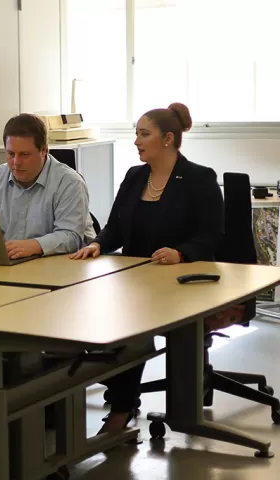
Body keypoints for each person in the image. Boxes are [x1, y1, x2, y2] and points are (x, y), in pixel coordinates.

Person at [70, 103, 224, 433]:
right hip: (135, 279)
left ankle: (121, 409)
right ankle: (117, 399)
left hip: (181, 284)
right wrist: (98, 244)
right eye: (135, 134)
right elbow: (114, 228)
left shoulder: (199, 178)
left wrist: (181, 253)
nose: (136, 141)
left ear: (168, 139)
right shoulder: (135, 176)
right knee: (97, 319)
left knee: (131, 331)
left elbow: (211, 237)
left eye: (143, 134)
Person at [0, 114, 96, 259]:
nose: (16, 162)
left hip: (59, 267)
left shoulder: (69, 183)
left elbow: (72, 237)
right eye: (11, 154)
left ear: (44, 151)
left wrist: (35, 245)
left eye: (24, 154)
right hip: (8, 265)